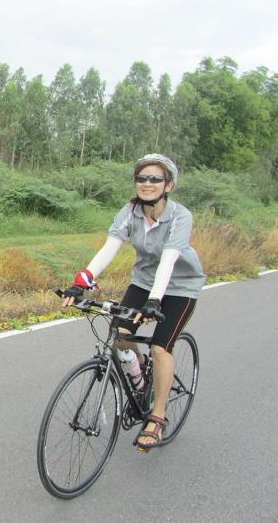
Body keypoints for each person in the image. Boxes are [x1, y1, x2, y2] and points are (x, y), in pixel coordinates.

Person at [62, 153, 205, 450]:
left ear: (169, 185)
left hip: (180, 286)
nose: (147, 183)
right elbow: (109, 248)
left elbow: (168, 259)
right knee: (119, 335)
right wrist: (82, 281)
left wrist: (155, 301)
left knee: (160, 346)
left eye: (155, 179)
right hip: (143, 282)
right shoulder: (130, 211)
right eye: (142, 178)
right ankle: (139, 376)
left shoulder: (180, 216)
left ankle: (158, 416)